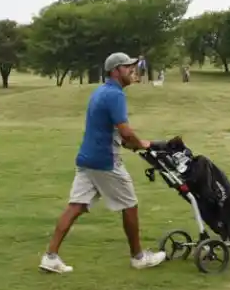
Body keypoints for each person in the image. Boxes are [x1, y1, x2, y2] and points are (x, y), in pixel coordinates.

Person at [39, 52, 167, 274]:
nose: (131, 70)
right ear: (115, 71)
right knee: (130, 205)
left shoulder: (100, 91)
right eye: (127, 67)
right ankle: (138, 257)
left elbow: (112, 130)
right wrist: (141, 144)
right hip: (105, 161)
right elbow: (125, 131)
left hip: (86, 158)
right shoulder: (115, 95)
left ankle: (50, 257)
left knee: (76, 206)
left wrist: (130, 142)